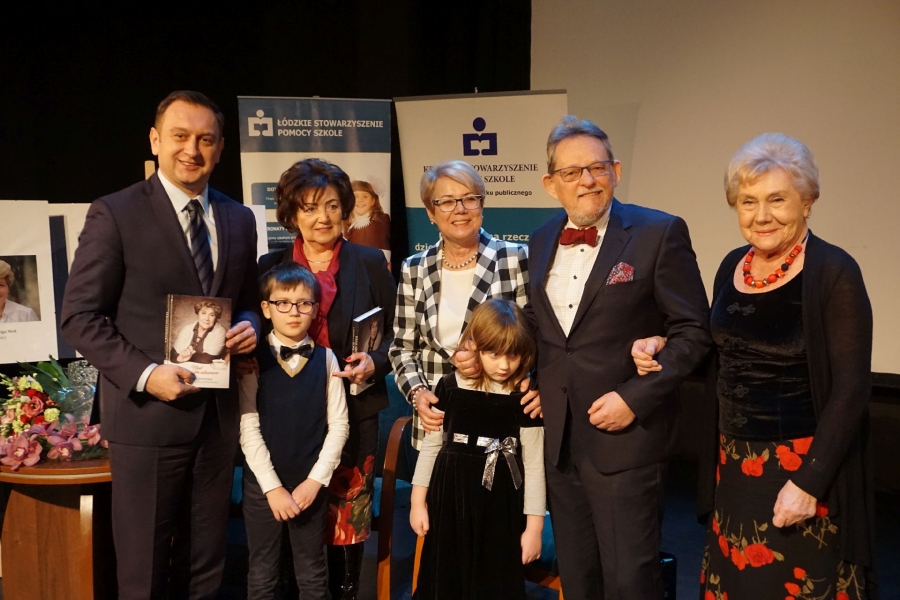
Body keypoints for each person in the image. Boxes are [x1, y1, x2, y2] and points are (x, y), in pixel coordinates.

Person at [634, 133, 876, 600]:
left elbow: (851, 389)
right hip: (733, 469)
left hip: (802, 470)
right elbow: (723, 349)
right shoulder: (732, 265)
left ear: (808, 201)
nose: (761, 215)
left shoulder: (834, 272)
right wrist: (662, 343)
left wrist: (809, 482)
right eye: (748, 202)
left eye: (777, 200)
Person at [61, 91, 260, 599]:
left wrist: (250, 325)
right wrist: (148, 375)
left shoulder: (239, 218)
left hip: (216, 420)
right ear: (155, 140)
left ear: (220, 149)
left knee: (206, 568)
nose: (192, 149)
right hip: (146, 418)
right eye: (180, 136)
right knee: (143, 573)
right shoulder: (115, 212)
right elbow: (79, 317)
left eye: (205, 139)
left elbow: (247, 301)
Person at [525, 116, 711, 599]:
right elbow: (544, 328)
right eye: (572, 172)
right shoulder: (540, 240)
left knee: (631, 583)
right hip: (561, 443)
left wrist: (634, 398)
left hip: (628, 442)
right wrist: (528, 375)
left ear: (617, 171)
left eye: (597, 168)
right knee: (578, 581)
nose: (587, 180)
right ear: (551, 184)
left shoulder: (658, 232)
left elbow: (694, 332)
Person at [258, 158, 395, 599]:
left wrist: (376, 361)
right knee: (287, 526)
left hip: (353, 414)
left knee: (345, 525)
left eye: (333, 206)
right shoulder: (270, 264)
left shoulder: (370, 262)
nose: (323, 217)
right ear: (291, 214)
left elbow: (400, 334)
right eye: (310, 207)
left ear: (346, 211)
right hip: (284, 420)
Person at [390, 159, 539, 452]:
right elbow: (402, 348)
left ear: (481, 205)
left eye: (469, 198)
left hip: (500, 418)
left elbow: (535, 338)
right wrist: (417, 393)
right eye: (446, 202)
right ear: (430, 212)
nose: (460, 209)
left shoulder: (515, 258)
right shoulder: (414, 268)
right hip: (437, 420)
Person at [410, 298, 544, 599]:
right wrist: (418, 502)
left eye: (513, 355)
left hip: (501, 502)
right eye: (494, 354)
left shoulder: (524, 399)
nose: (504, 365)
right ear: (475, 347)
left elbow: (535, 466)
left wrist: (534, 528)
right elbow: (431, 446)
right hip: (451, 497)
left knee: (492, 579)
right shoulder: (449, 387)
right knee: (447, 576)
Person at [239, 262, 349, 599]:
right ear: (266, 308)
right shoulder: (251, 361)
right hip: (262, 486)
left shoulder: (327, 359)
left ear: (315, 309)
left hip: (309, 485)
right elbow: (248, 426)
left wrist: (315, 482)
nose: (294, 312)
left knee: (313, 573)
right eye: (283, 303)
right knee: (262, 574)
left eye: (303, 303)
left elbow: (339, 425)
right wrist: (272, 487)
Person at [170, 299, 227, 364]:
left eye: (212, 315)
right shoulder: (187, 328)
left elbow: (208, 359)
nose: (207, 319)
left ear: (216, 317)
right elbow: (173, 354)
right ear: (198, 313)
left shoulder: (220, 331)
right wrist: (179, 358)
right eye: (203, 313)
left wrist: (188, 357)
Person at [344, 180, 391, 257]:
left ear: (373, 201)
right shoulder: (349, 225)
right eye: (356, 196)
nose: (360, 200)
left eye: (365, 196)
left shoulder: (382, 219)